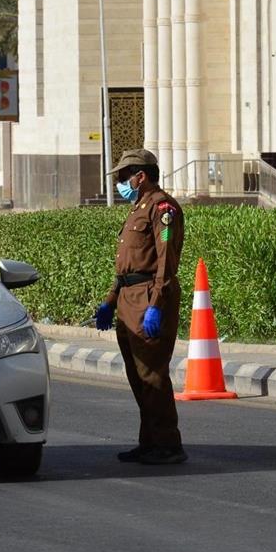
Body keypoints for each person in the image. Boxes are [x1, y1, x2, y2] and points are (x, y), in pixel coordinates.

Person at [93, 149, 188, 465]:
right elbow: (126, 267)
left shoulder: (163, 208)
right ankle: (149, 441)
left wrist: (157, 304)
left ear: (141, 176)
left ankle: (168, 443)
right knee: (138, 376)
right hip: (128, 298)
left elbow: (165, 261)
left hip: (148, 297)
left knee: (152, 374)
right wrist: (109, 302)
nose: (121, 182)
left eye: (124, 176)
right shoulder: (139, 208)